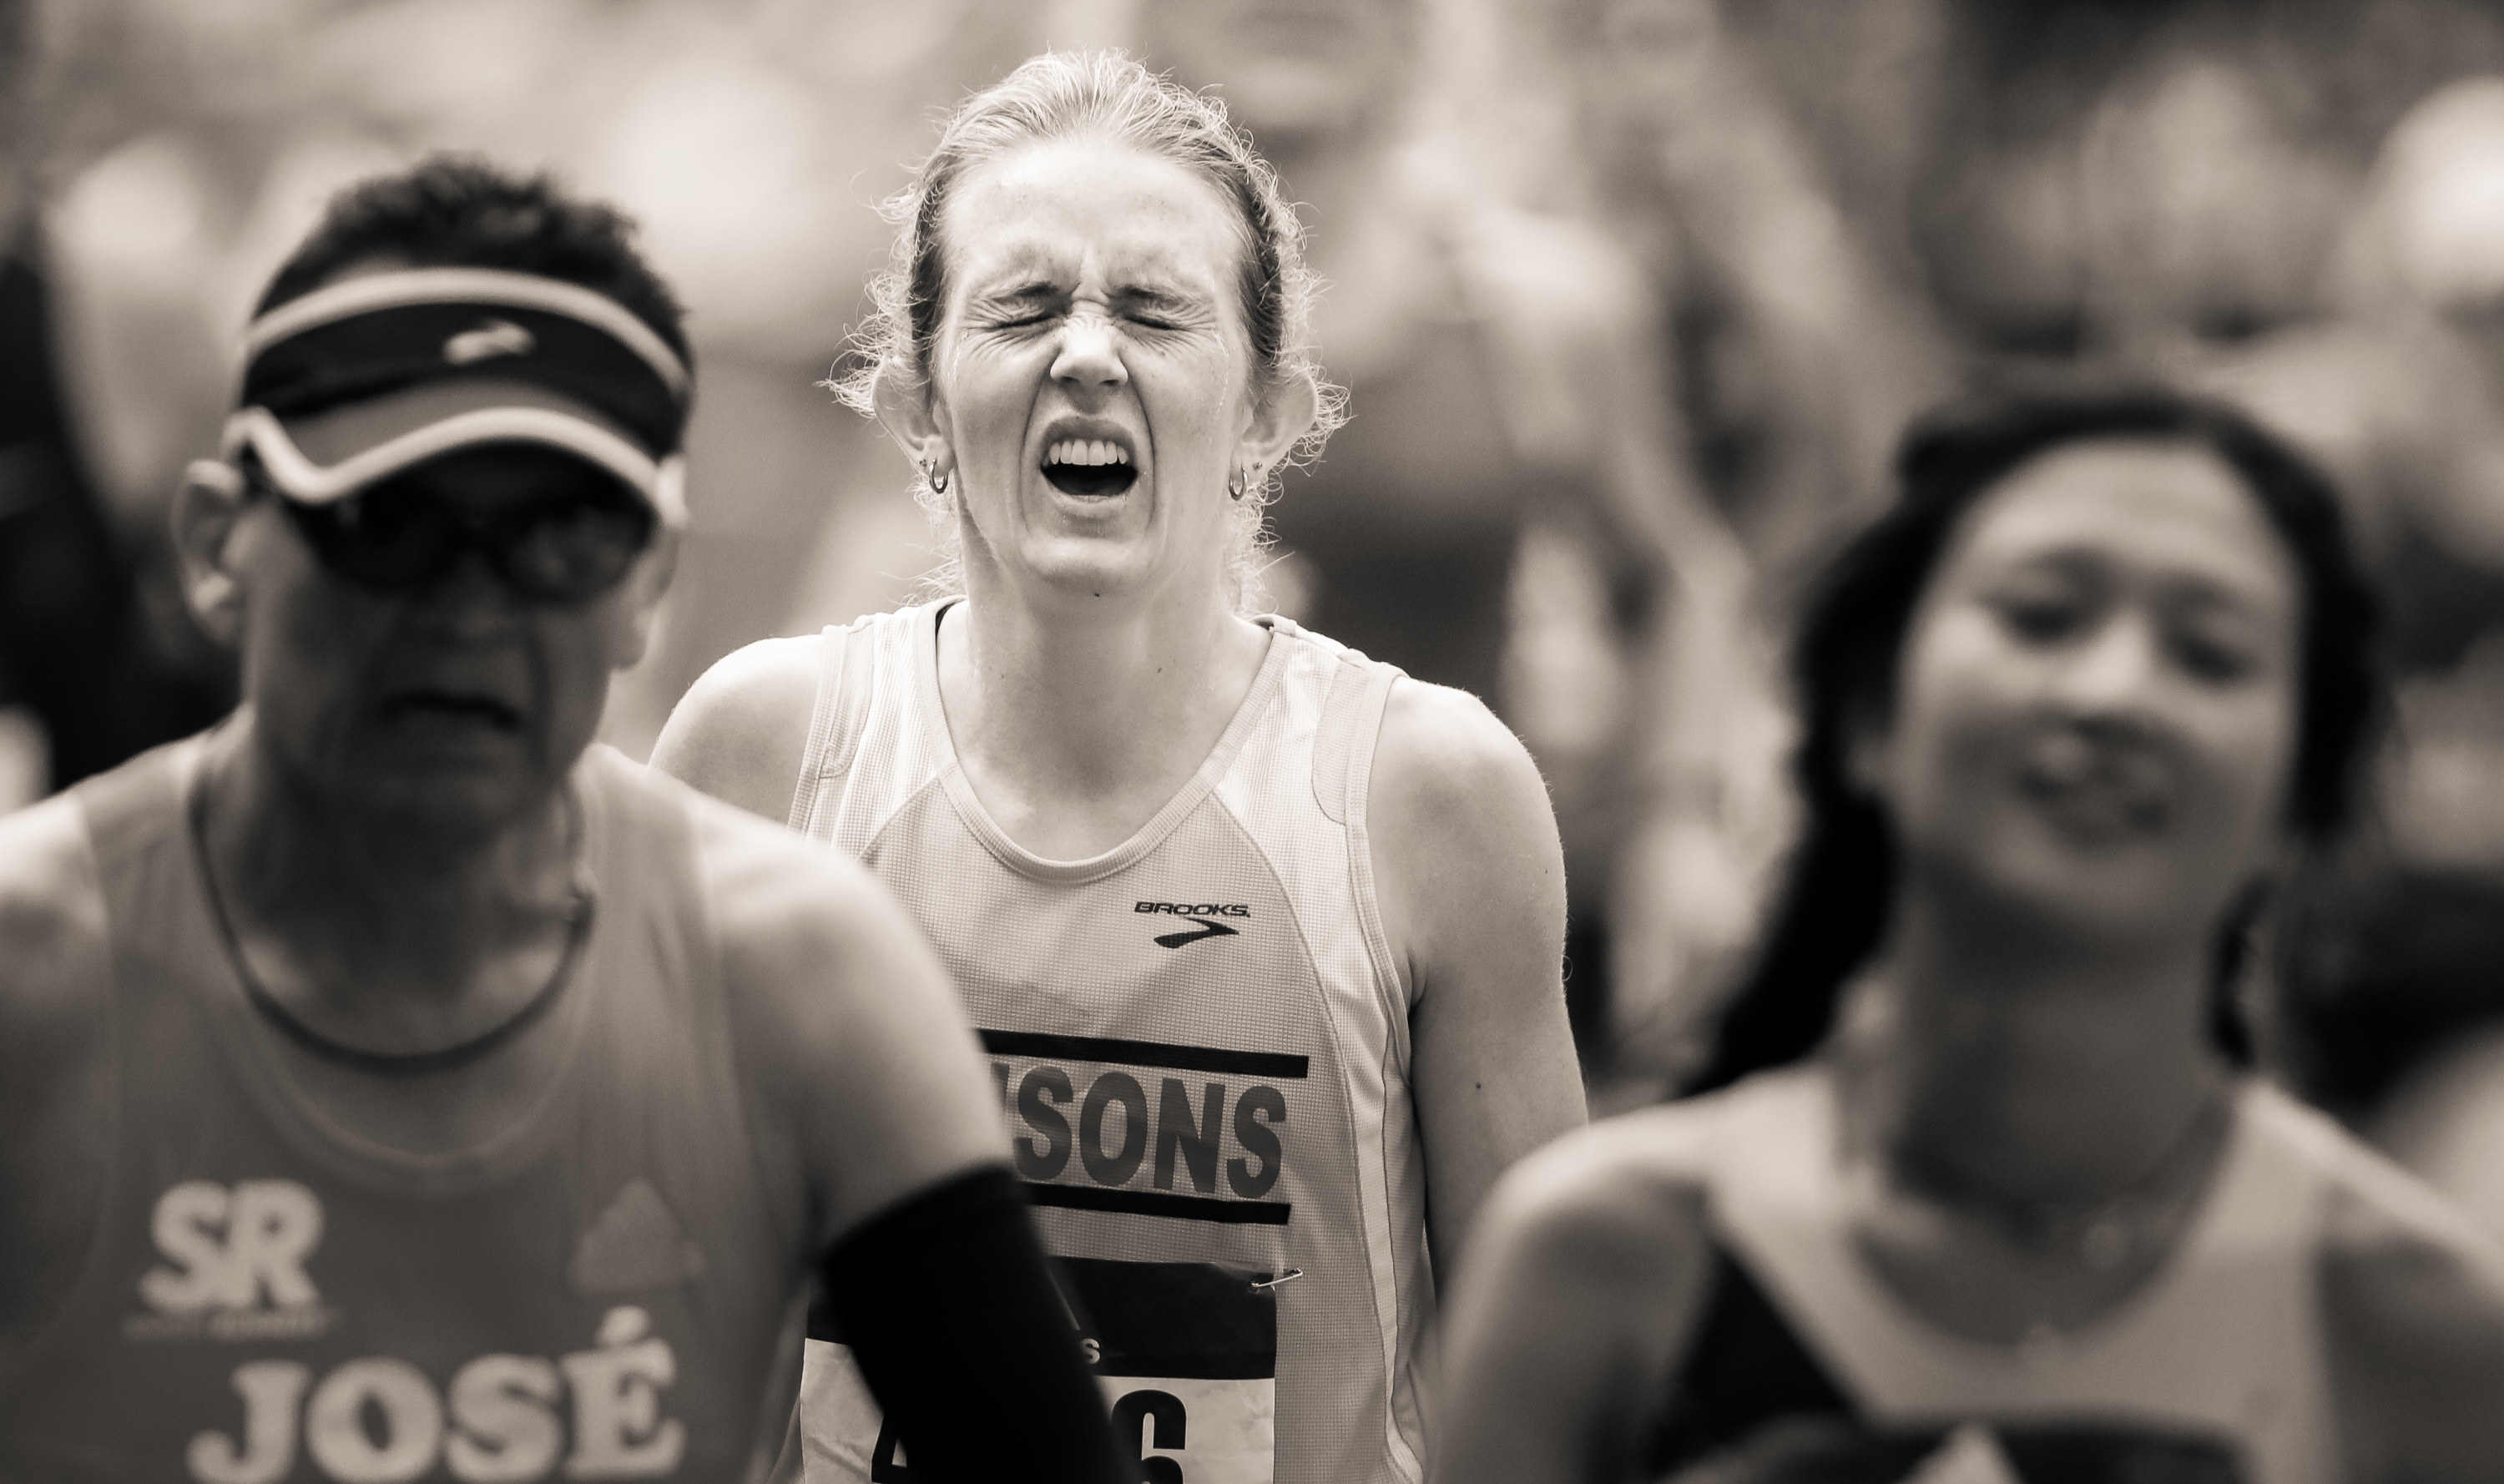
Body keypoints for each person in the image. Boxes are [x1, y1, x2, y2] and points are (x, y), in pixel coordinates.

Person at [0, 156, 1124, 1483]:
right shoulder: (38, 984)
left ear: (649, 586)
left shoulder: (796, 983)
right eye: (385, 519)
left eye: (558, 535)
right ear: (216, 545)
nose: (471, 607)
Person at [652, 50, 1588, 1484]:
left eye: (1155, 309)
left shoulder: (1431, 795)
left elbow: (1562, 1395)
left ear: (1272, 412)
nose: (1087, 351)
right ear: (913, 404)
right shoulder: (761, 752)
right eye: (1023, 306)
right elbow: (644, 1316)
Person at [1436, 387, 2504, 1483]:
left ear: (2295, 799)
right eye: (2042, 614)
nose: (2113, 691)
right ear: (1868, 713)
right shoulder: (1605, 1260)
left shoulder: (2408, 1317)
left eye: (2210, 652)